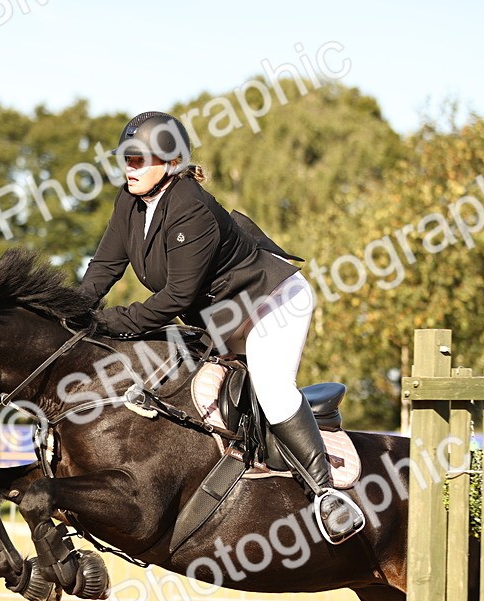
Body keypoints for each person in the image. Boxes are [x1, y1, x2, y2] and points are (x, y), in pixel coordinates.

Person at [78, 111, 366, 542]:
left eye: (139, 159)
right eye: (125, 158)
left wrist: (108, 321)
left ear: (171, 163)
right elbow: (104, 267)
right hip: (219, 318)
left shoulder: (191, 207)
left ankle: (326, 495)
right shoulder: (129, 202)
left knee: (271, 387)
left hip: (271, 303)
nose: (128, 168)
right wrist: (70, 312)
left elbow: (176, 297)